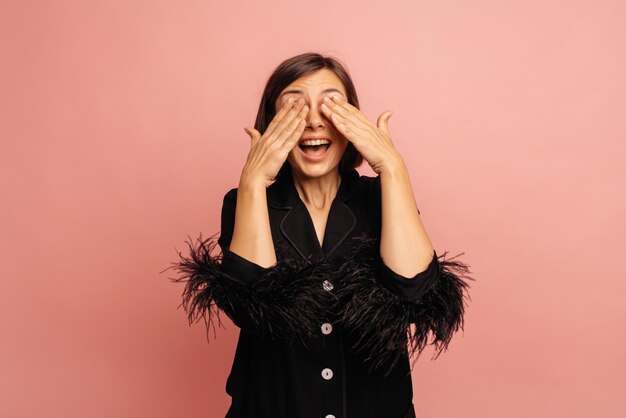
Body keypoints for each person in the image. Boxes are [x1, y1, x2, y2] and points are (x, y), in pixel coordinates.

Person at [169, 52, 474, 418]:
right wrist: (253, 179)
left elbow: (414, 290)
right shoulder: (243, 202)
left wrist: (392, 167)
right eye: (295, 107)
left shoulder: (380, 198)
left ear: (352, 121)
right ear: (271, 124)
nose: (314, 120)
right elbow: (252, 309)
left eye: (331, 104)